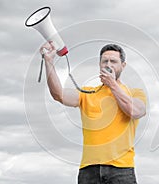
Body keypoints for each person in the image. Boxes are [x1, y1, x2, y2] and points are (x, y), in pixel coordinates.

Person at [40, 42, 147, 184]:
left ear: (123, 65)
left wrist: (112, 85)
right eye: (105, 61)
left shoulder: (135, 92)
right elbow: (58, 95)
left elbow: (134, 111)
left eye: (113, 61)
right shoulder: (87, 93)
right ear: (99, 65)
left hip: (121, 170)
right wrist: (49, 62)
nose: (108, 64)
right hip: (88, 171)